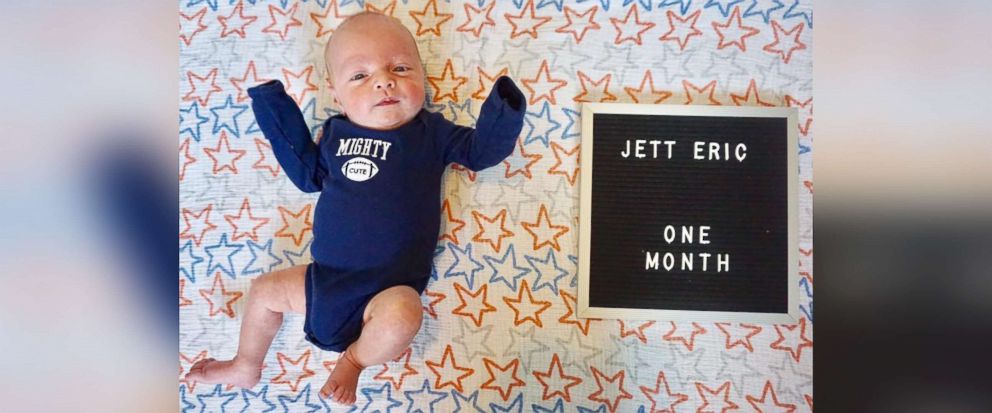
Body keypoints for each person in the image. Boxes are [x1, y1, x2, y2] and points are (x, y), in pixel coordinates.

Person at [183, 11, 525, 405]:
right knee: (263, 292)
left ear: (423, 77)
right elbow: (305, 174)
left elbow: (481, 152)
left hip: (388, 292)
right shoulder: (335, 134)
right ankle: (246, 363)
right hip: (324, 281)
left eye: (400, 67)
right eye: (360, 76)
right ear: (335, 92)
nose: (384, 80)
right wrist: (273, 105)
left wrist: (503, 110)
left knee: (407, 314)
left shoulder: (432, 133)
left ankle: (355, 361)